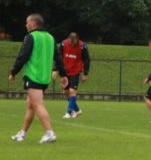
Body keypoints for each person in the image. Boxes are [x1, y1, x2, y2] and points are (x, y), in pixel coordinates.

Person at [9, 14, 68, 143]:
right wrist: (63, 75)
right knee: (30, 106)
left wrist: (13, 72)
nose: (26, 25)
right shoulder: (50, 38)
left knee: (38, 105)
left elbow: (23, 56)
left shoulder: (31, 37)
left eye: (27, 22)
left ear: (34, 23)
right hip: (44, 78)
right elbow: (58, 58)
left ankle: (49, 133)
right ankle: (22, 133)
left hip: (33, 76)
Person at [59, 32, 90, 119]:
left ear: (77, 40)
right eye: (71, 42)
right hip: (65, 72)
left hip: (76, 71)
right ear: (68, 39)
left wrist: (85, 73)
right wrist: (55, 69)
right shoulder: (63, 44)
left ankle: (68, 113)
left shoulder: (82, 46)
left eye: (74, 42)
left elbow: (87, 60)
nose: (72, 44)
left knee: (72, 91)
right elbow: (58, 57)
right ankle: (77, 110)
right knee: (66, 93)